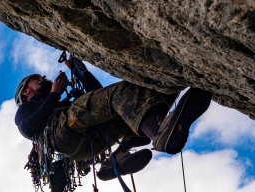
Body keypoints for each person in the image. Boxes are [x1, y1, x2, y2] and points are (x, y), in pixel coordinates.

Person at [14, 54, 212, 181]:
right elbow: (28, 129)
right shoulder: (26, 108)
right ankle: (159, 133)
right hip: (62, 134)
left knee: (132, 104)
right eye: (36, 78)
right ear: (26, 92)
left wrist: (76, 67)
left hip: (89, 141)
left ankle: (118, 156)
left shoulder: (55, 103)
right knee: (119, 92)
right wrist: (55, 94)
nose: (43, 78)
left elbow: (100, 95)